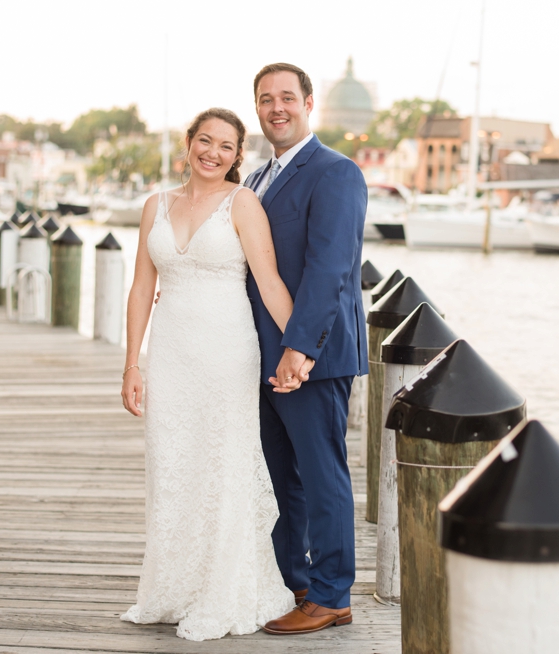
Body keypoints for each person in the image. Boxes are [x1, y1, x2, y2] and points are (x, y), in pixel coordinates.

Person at [119, 108, 296, 641]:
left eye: (225, 146)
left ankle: (224, 591)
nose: (212, 153)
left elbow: (268, 282)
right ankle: (173, 588)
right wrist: (133, 363)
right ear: (189, 143)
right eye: (205, 140)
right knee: (173, 464)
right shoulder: (156, 205)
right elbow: (139, 289)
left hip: (226, 353)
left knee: (222, 463)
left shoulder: (242, 203)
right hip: (171, 354)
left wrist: (301, 352)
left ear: (238, 157)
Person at [244, 63, 368, 635]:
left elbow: (330, 269)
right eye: (266, 99)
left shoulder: (335, 173)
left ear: (309, 103)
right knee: (279, 478)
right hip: (260, 356)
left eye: (287, 97)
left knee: (322, 478)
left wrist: (300, 349)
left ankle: (332, 594)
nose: (277, 108)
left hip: (310, 357)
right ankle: (296, 582)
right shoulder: (256, 178)